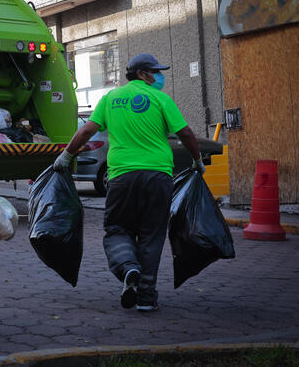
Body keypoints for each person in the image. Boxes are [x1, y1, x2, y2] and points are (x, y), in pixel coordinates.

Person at [53, 53, 205, 312]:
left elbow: (87, 130)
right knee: (152, 234)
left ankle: (128, 267)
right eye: (155, 71)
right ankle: (146, 296)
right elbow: (186, 133)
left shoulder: (111, 99)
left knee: (117, 228)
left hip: (122, 177)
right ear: (142, 74)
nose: (159, 76)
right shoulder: (160, 99)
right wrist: (197, 161)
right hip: (158, 176)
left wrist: (66, 156)